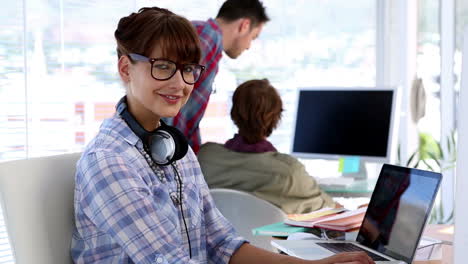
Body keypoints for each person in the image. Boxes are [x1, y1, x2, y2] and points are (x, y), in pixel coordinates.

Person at [71, 7, 374, 264]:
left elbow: (221, 243)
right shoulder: (110, 162)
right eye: (162, 66)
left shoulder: (178, 151)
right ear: (126, 69)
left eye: (188, 69)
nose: (180, 83)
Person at [198, 79, 338, 214]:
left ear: (234, 113)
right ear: (277, 118)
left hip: (216, 238)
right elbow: (329, 209)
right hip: (270, 239)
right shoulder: (289, 171)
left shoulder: (204, 158)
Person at [164, 0, 269, 154]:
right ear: (244, 25)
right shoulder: (205, 39)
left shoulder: (206, 37)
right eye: (253, 37)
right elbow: (168, 98)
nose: (248, 46)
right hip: (166, 148)